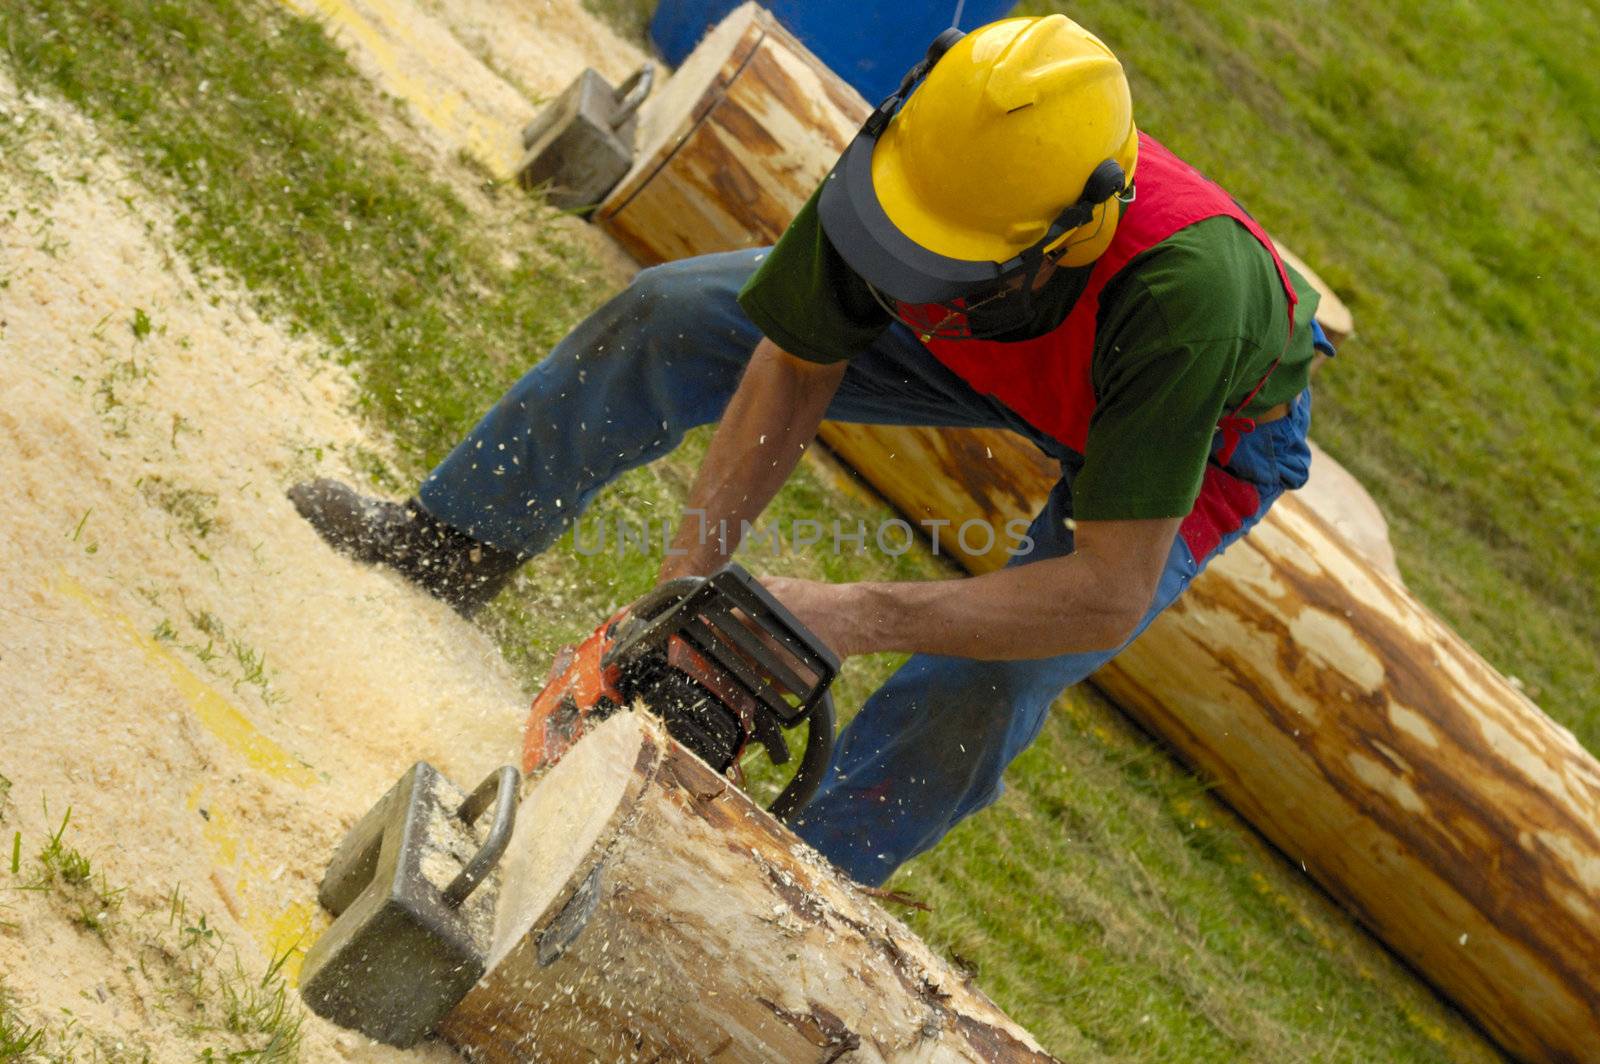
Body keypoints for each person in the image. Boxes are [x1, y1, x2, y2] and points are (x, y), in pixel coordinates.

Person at [290, 14, 1333, 887]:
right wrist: (685, 596)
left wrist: (848, 612)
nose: (909, 276)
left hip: (1188, 425)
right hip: (993, 341)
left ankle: (790, 882)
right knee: (671, 312)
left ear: (1068, 234)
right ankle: (455, 540)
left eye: (943, 263)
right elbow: (793, 365)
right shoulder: (927, 151)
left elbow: (1105, 588)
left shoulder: (1187, 296)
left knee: (986, 686)